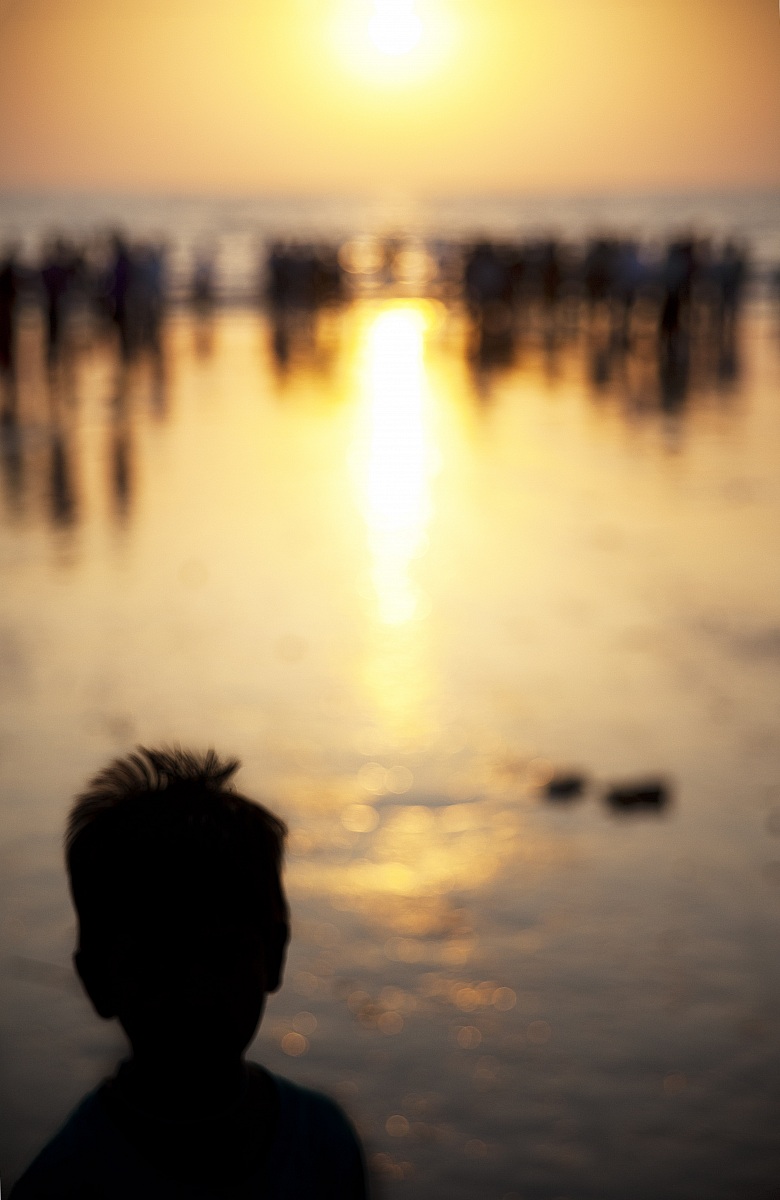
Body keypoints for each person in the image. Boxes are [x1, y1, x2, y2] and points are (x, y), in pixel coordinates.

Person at [10, 746, 367, 1199]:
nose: (195, 994)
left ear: (274, 957)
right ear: (97, 980)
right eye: (158, 962)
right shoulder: (64, 1185)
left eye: (222, 956)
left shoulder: (325, 1144)